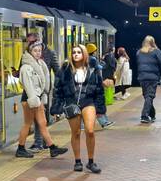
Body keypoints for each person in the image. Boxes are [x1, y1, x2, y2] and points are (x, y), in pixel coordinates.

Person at [54, 44, 104, 172]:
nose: (75, 54)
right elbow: (58, 89)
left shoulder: (93, 68)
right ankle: (77, 161)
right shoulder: (65, 69)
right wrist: (57, 108)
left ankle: (91, 161)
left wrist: (100, 109)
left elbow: (99, 89)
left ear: (84, 54)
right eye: (74, 52)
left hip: (88, 101)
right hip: (72, 103)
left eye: (79, 52)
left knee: (90, 131)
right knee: (76, 133)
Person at [16, 41, 68, 159]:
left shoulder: (39, 64)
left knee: (42, 124)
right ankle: (21, 148)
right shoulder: (26, 67)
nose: (38, 53)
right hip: (30, 99)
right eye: (35, 51)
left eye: (39, 51)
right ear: (30, 52)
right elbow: (28, 86)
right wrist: (34, 101)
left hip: (36, 98)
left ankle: (52, 148)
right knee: (28, 124)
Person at [22, 33, 59, 150]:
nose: (31, 44)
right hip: (32, 97)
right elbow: (25, 80)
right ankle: (24, 147)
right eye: (29, 42)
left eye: (33, 42)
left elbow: (57, 70)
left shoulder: (46, 57)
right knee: (31, 124)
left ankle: (50, 147)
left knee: (41, 123)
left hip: (41, 94)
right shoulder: (26, 62)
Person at [136, 36, 161, 125]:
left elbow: (138, 62)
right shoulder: (156, 51)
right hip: (152, 77)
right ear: (153, 42)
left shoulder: (139, 52)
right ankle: (144, 116)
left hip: (142, 77)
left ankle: (152, 114)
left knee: (147, 96)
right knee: (149, 96)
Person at [85, 43, 114, 128]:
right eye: (95, 51)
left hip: (90, 85)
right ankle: (104, 122)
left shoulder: (86, 59)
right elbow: (101, 67)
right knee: (98, 104)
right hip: (95, 85)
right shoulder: (92, 59)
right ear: (93, 52)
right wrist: (102, 61)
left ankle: (84, 125)